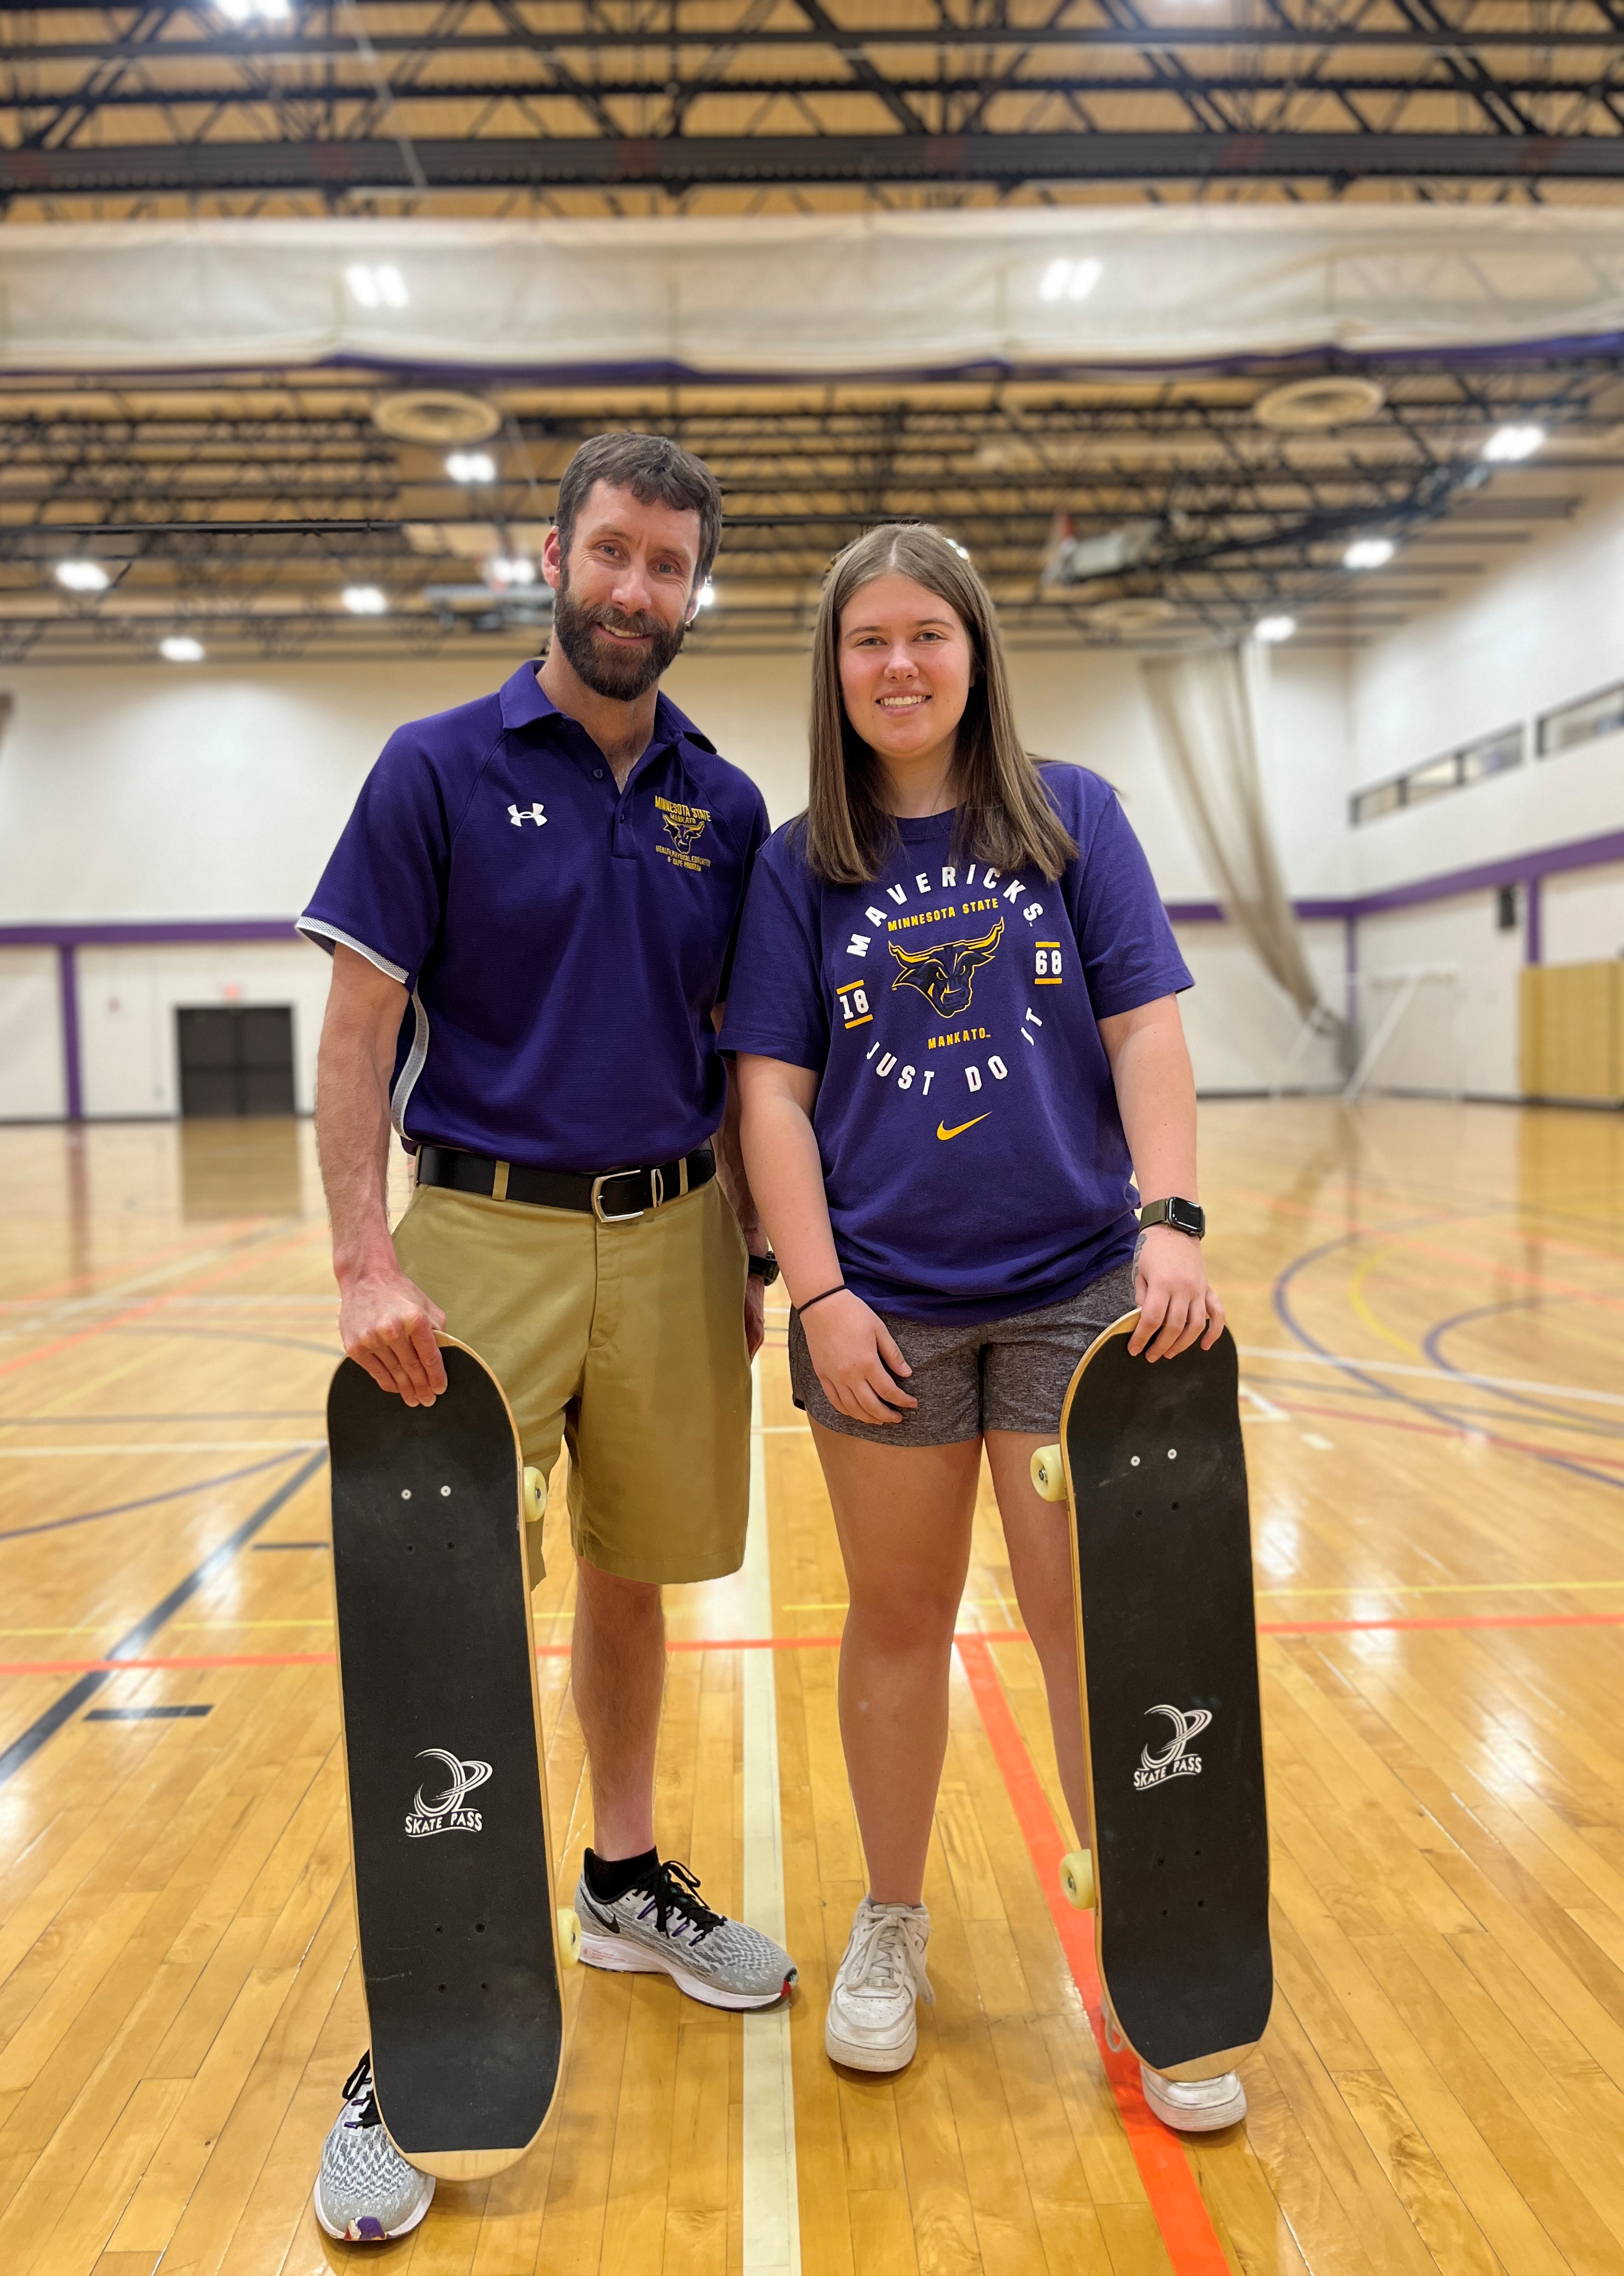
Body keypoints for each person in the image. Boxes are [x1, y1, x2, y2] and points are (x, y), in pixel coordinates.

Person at [300, 433, 797, 2244]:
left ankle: (617, 1880)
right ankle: (411, 2030)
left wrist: (749, 1255)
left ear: (693, 589)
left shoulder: (723, 807)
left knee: (638, 1574)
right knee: (447, 1614)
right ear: (554, 552)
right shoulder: (432, 767)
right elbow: (359, 1036)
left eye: (670, 567)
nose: (636, 591)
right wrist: (365, 1263)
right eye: (612, 554)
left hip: (673, 1237)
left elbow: (755, 1058)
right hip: (480, 1232)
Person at [720, 523, 1237, 2131]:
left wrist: (1168, 1223)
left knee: (1086, 1618)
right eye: (868, 639)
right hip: (884, 1308)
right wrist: (817, 1292)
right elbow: (770, 1095)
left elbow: (1144, 1025)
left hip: (1079, 1290)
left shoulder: (1072, 817)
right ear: (837, 666)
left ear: (974, 649)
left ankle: (1150, 1959)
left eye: (926, 635)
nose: (899, 665)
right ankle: (893, 1924)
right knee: (897, 1616)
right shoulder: (801, 863)